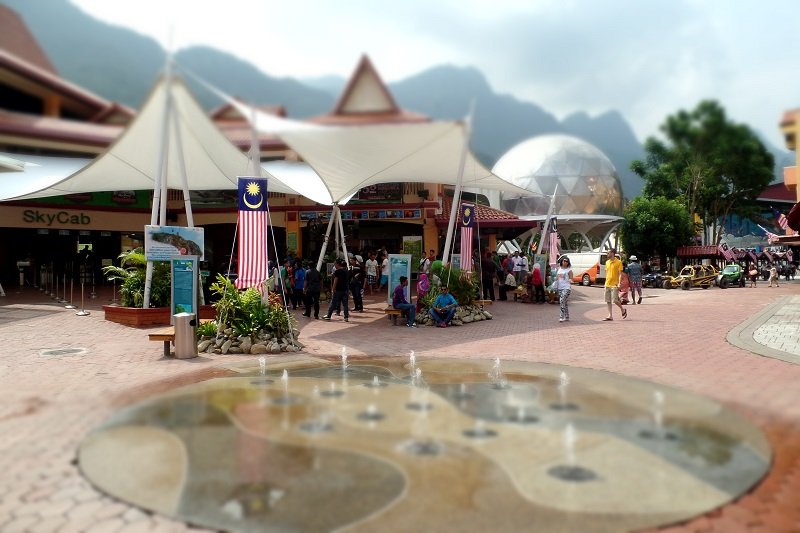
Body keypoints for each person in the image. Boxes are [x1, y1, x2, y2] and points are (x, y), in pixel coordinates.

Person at [603, 248, 627, 321]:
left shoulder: (618, 262)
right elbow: (606, 272)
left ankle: (623, 309)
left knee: (615, 300)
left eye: (608, 253)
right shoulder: (607, 262)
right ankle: (610, 315)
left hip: (615, 284)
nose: (607, 254)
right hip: (607, 284)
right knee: (608, 300)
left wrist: (619, 283)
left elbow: (620, 274)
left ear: (612, 253)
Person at [555, 256, 573, 322]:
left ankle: (561, 316)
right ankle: (567, 316)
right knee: (564, 303)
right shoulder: (559, 269)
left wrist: (570, 280)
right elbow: (556, 277)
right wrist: (555, 279)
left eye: (567, 261)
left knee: (562, 300)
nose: (565, 262)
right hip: (560, 287)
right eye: (564, 261)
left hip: (566, 288)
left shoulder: (569, 270)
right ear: (562, 261)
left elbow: (571, 278)